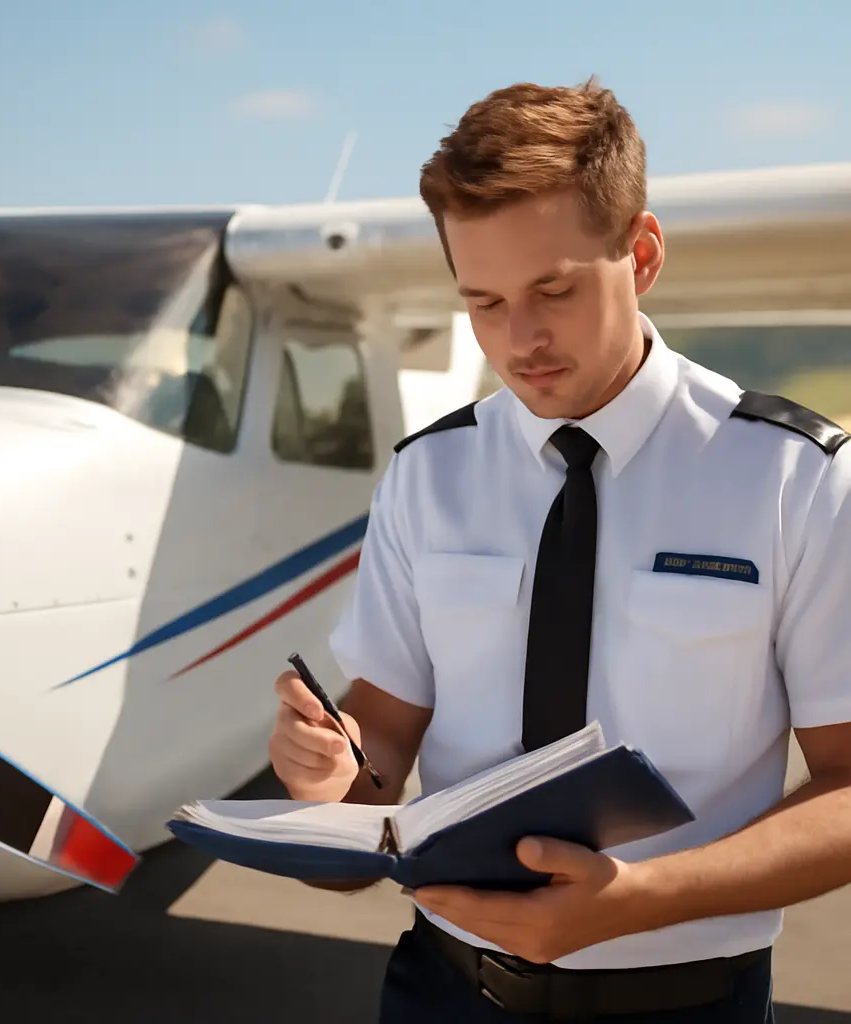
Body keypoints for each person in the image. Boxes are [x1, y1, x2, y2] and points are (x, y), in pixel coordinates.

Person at [267, 76, 851, 1023]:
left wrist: (644, 901)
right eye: (484, 302)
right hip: (439, 991)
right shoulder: (430, 475)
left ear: (644, 253)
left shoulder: (796, 477)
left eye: (554, 289)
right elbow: (380, 736)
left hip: (685, 1005)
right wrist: (337, 780)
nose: (521, 340)